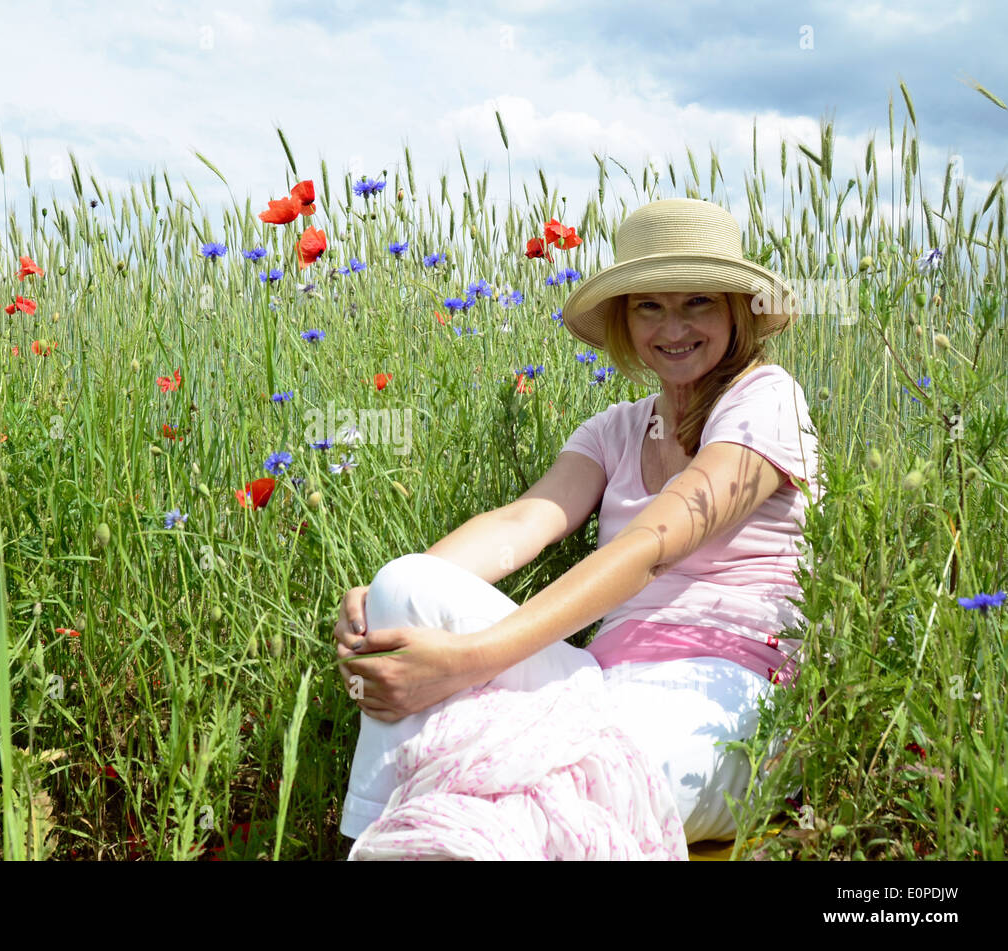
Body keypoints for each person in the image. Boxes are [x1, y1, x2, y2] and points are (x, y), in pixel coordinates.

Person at [334, 197, 821, 849]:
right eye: (650, 305)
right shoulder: (616, 428)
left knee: (548, 792)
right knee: (406, 583)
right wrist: (378, 607)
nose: (672, 326)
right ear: (625, 317)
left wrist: (469, 661)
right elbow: (521, 522)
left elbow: (655, 542)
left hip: (728, 697)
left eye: (696, 302)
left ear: (736, 310)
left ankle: (385, 839)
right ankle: (368, 841)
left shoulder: (767, 401)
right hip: (602, 685)